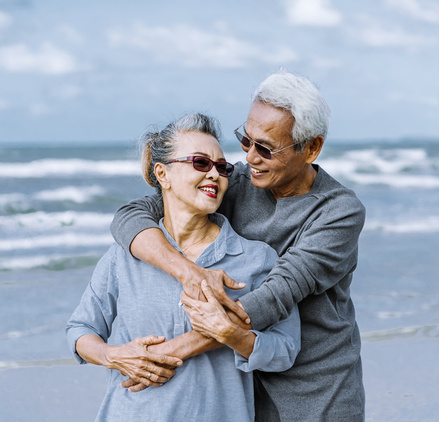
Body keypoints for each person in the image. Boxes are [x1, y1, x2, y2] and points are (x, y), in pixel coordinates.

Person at [111, 71, 366, 421]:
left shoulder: (339, 212)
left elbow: (274, 296)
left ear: (312, 148)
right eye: (246, 141)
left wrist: (163, 357)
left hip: (316, 391)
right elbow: (130, 216)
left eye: (266, 148)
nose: (251, 157)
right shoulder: (236, 182)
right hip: (239, 386)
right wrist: (190, 273)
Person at [66, 113, 301, 421]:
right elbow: (81, 330)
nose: (215, 174)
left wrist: (230, 334)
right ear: (163, 174)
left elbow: (285, 350)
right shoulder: (123, 256)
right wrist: (113, 355)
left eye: (222, 167)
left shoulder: (257, 259)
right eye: (200, 163)